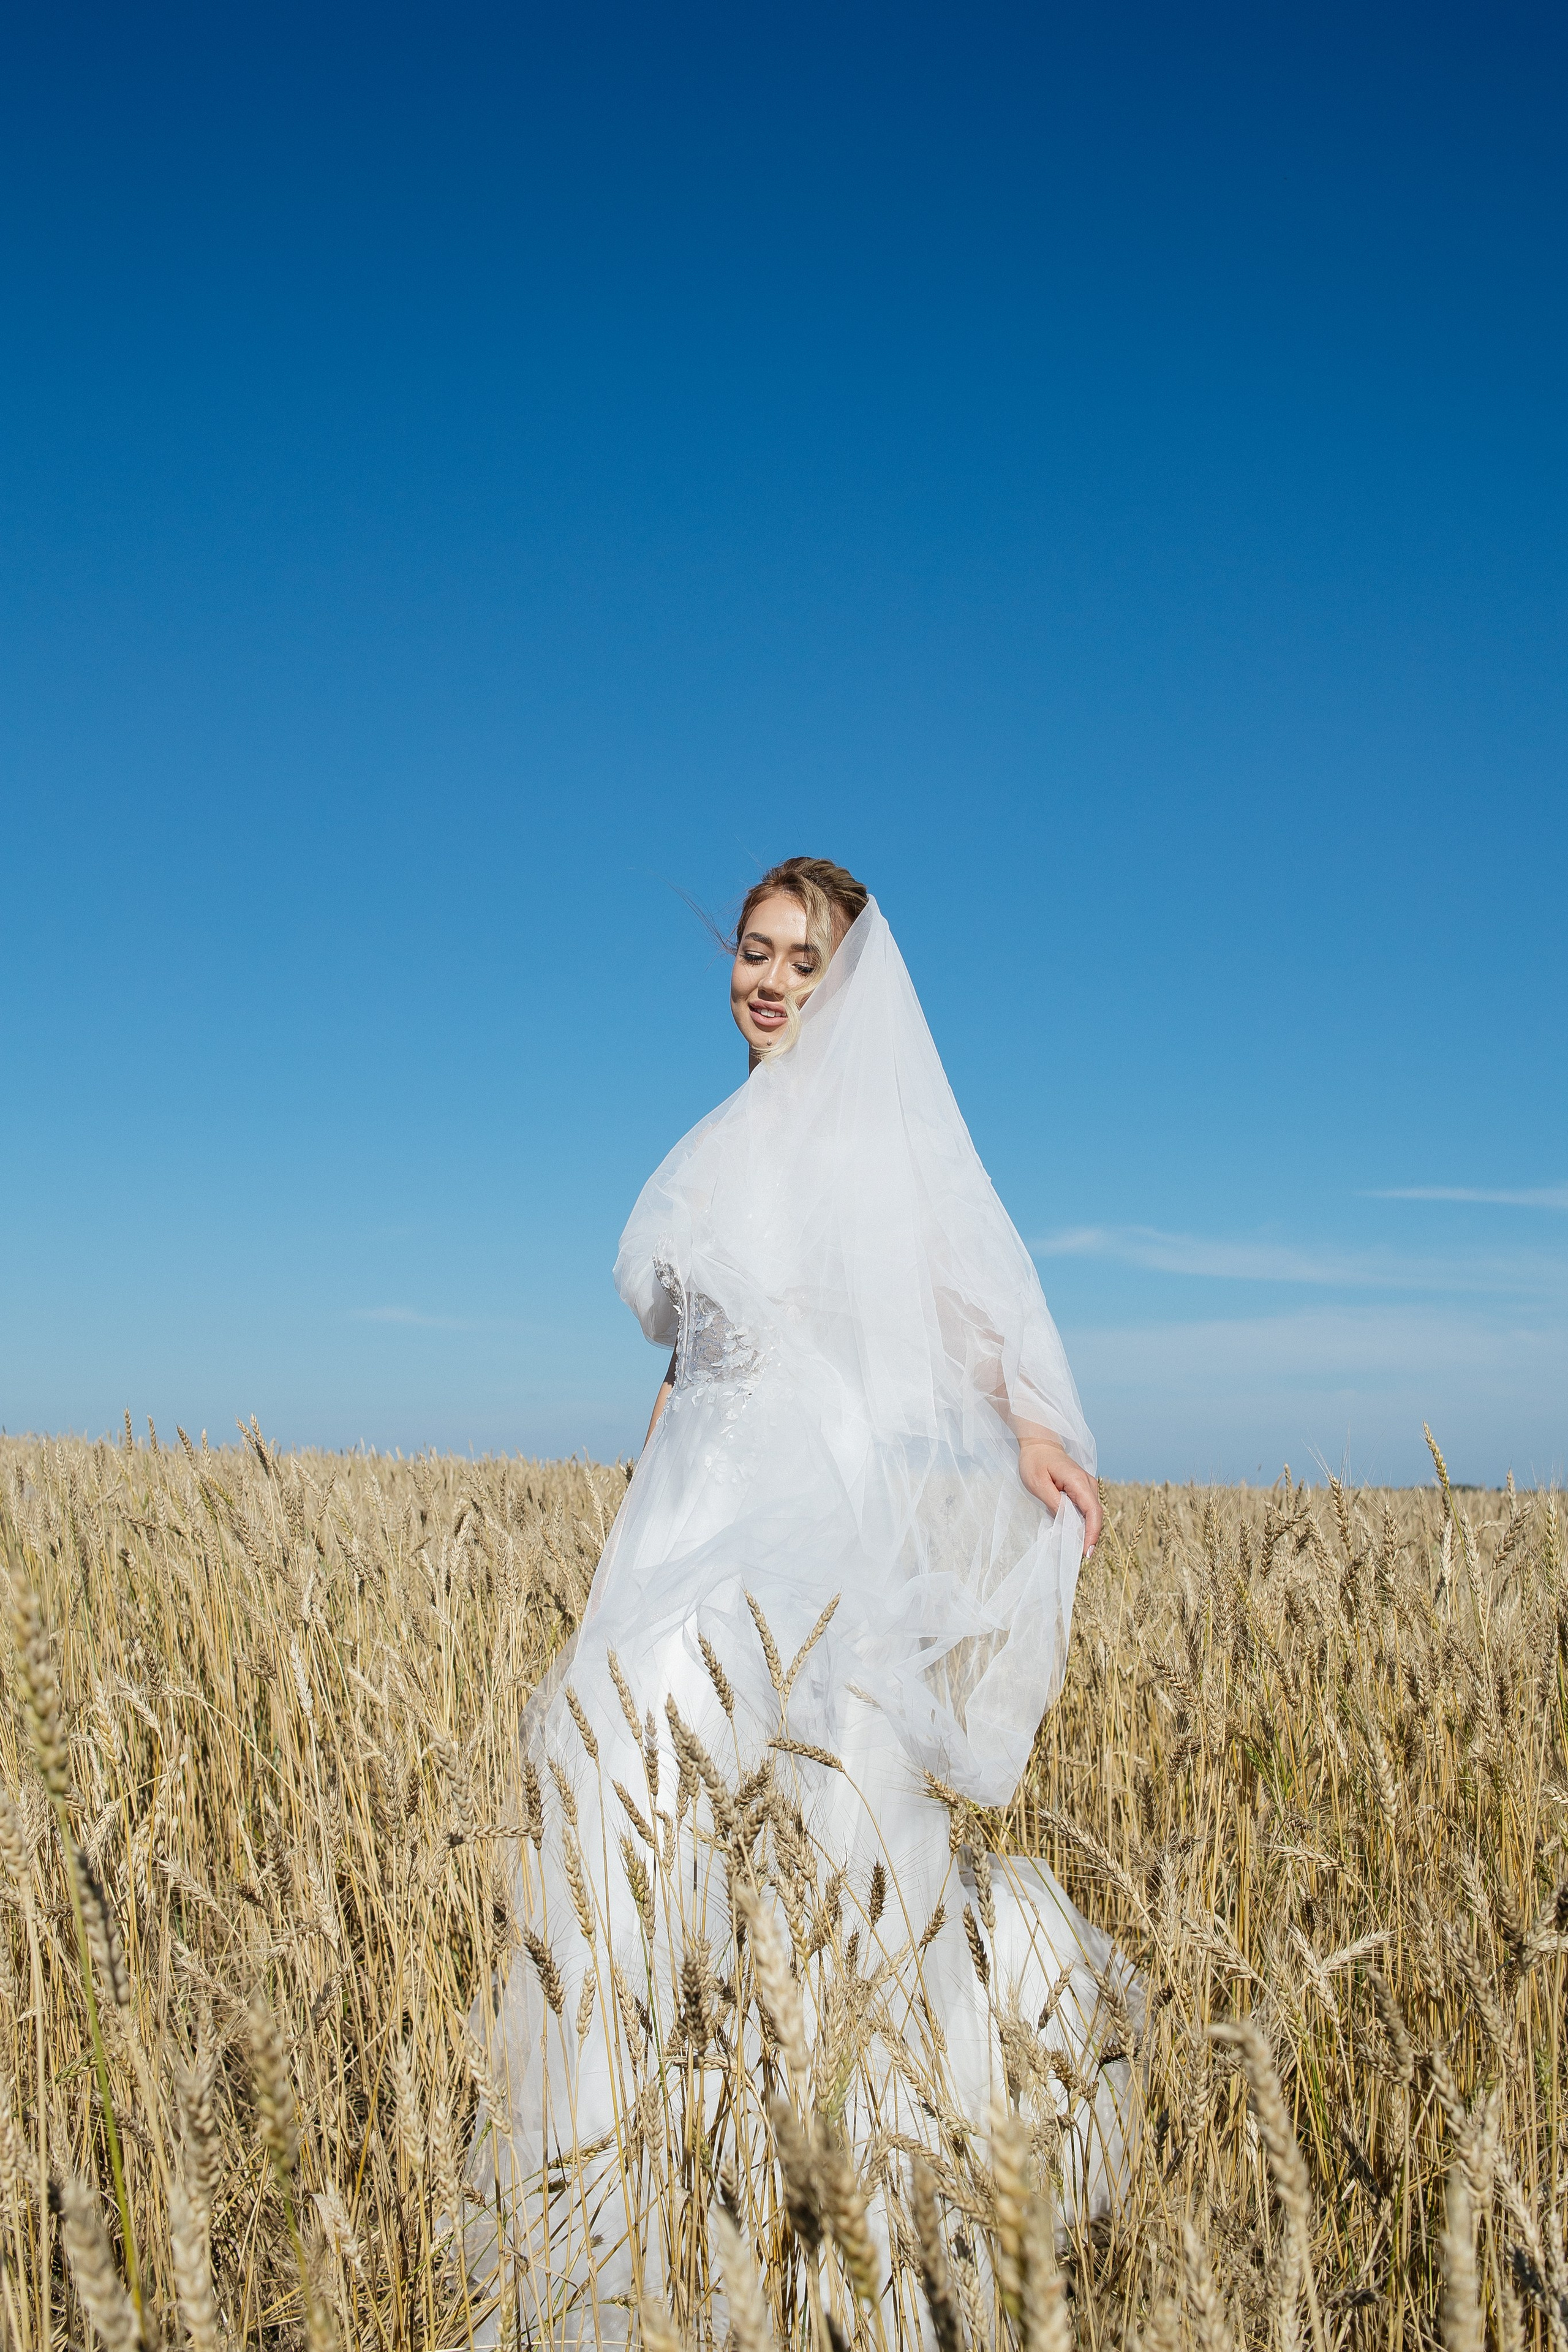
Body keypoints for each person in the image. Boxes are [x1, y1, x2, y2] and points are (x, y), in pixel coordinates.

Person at [466, 859, 1137, 2348]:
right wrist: (626, 1538)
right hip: (682, 1534)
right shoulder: (711, 1152)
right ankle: (631, 2216)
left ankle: (849, 2212)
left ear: (848, 988)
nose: (766, 980)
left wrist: (1027, 1426)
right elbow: (689, 1363)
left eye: (800, 962)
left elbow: (964, 1305)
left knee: (832, 1856)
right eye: (753, 953)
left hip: (805, 1545)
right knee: (622, 1815)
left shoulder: (881, 1151)